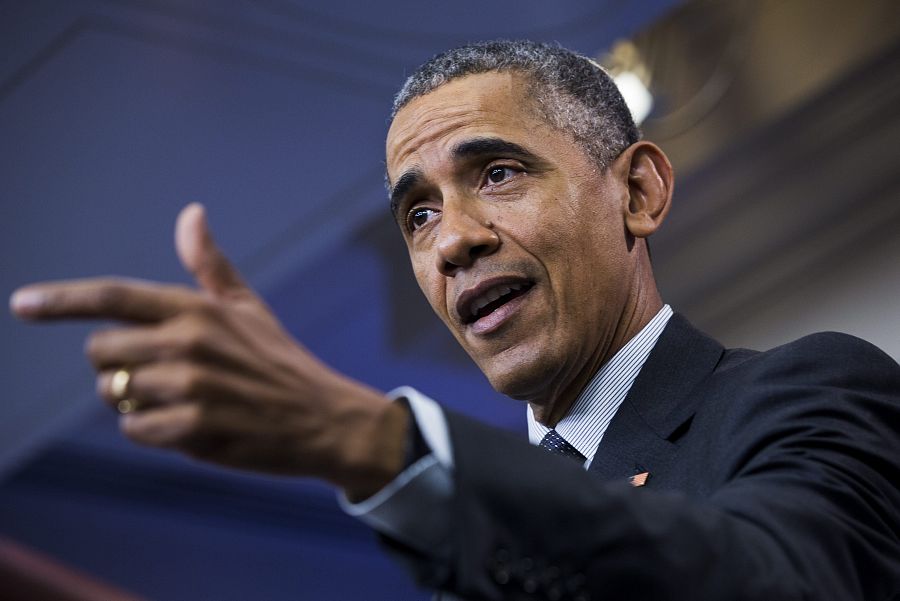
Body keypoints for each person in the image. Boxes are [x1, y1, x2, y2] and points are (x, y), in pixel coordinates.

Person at [10, 40, 900, 600]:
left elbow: (777, 577)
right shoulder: (468, 543)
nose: (453, 242)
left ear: (637, 191)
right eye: (419, 214)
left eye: (500, 173)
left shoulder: (808, 389)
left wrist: (379, 443)